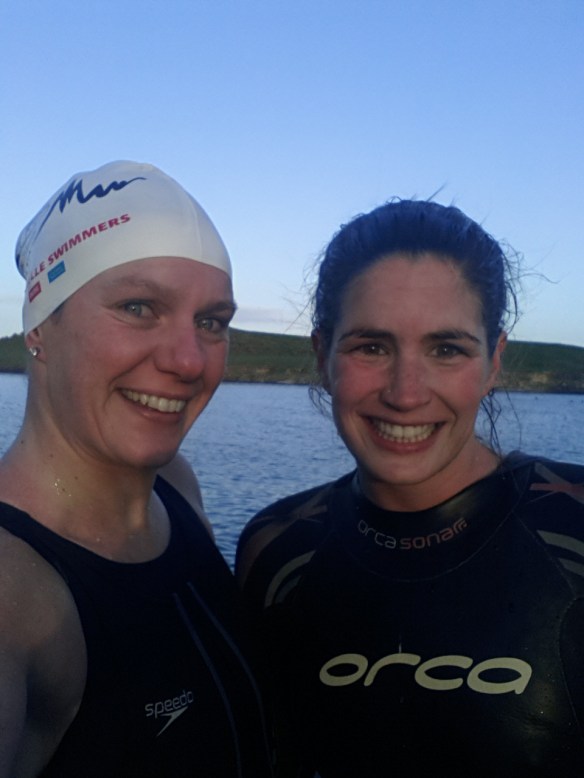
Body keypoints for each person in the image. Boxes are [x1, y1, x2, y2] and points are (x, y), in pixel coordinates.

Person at [236, 199, 584, 776]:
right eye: (371, 347)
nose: (405, 392)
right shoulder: (277, 549)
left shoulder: (571, 525)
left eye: (447, 349)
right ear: (324, 357)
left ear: (493, 362)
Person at [0, 161, 274, 777]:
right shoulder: (11, 593)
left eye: (212, 322)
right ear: (41, 323)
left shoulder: (175, 486)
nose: (188, 360)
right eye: (139, 306)